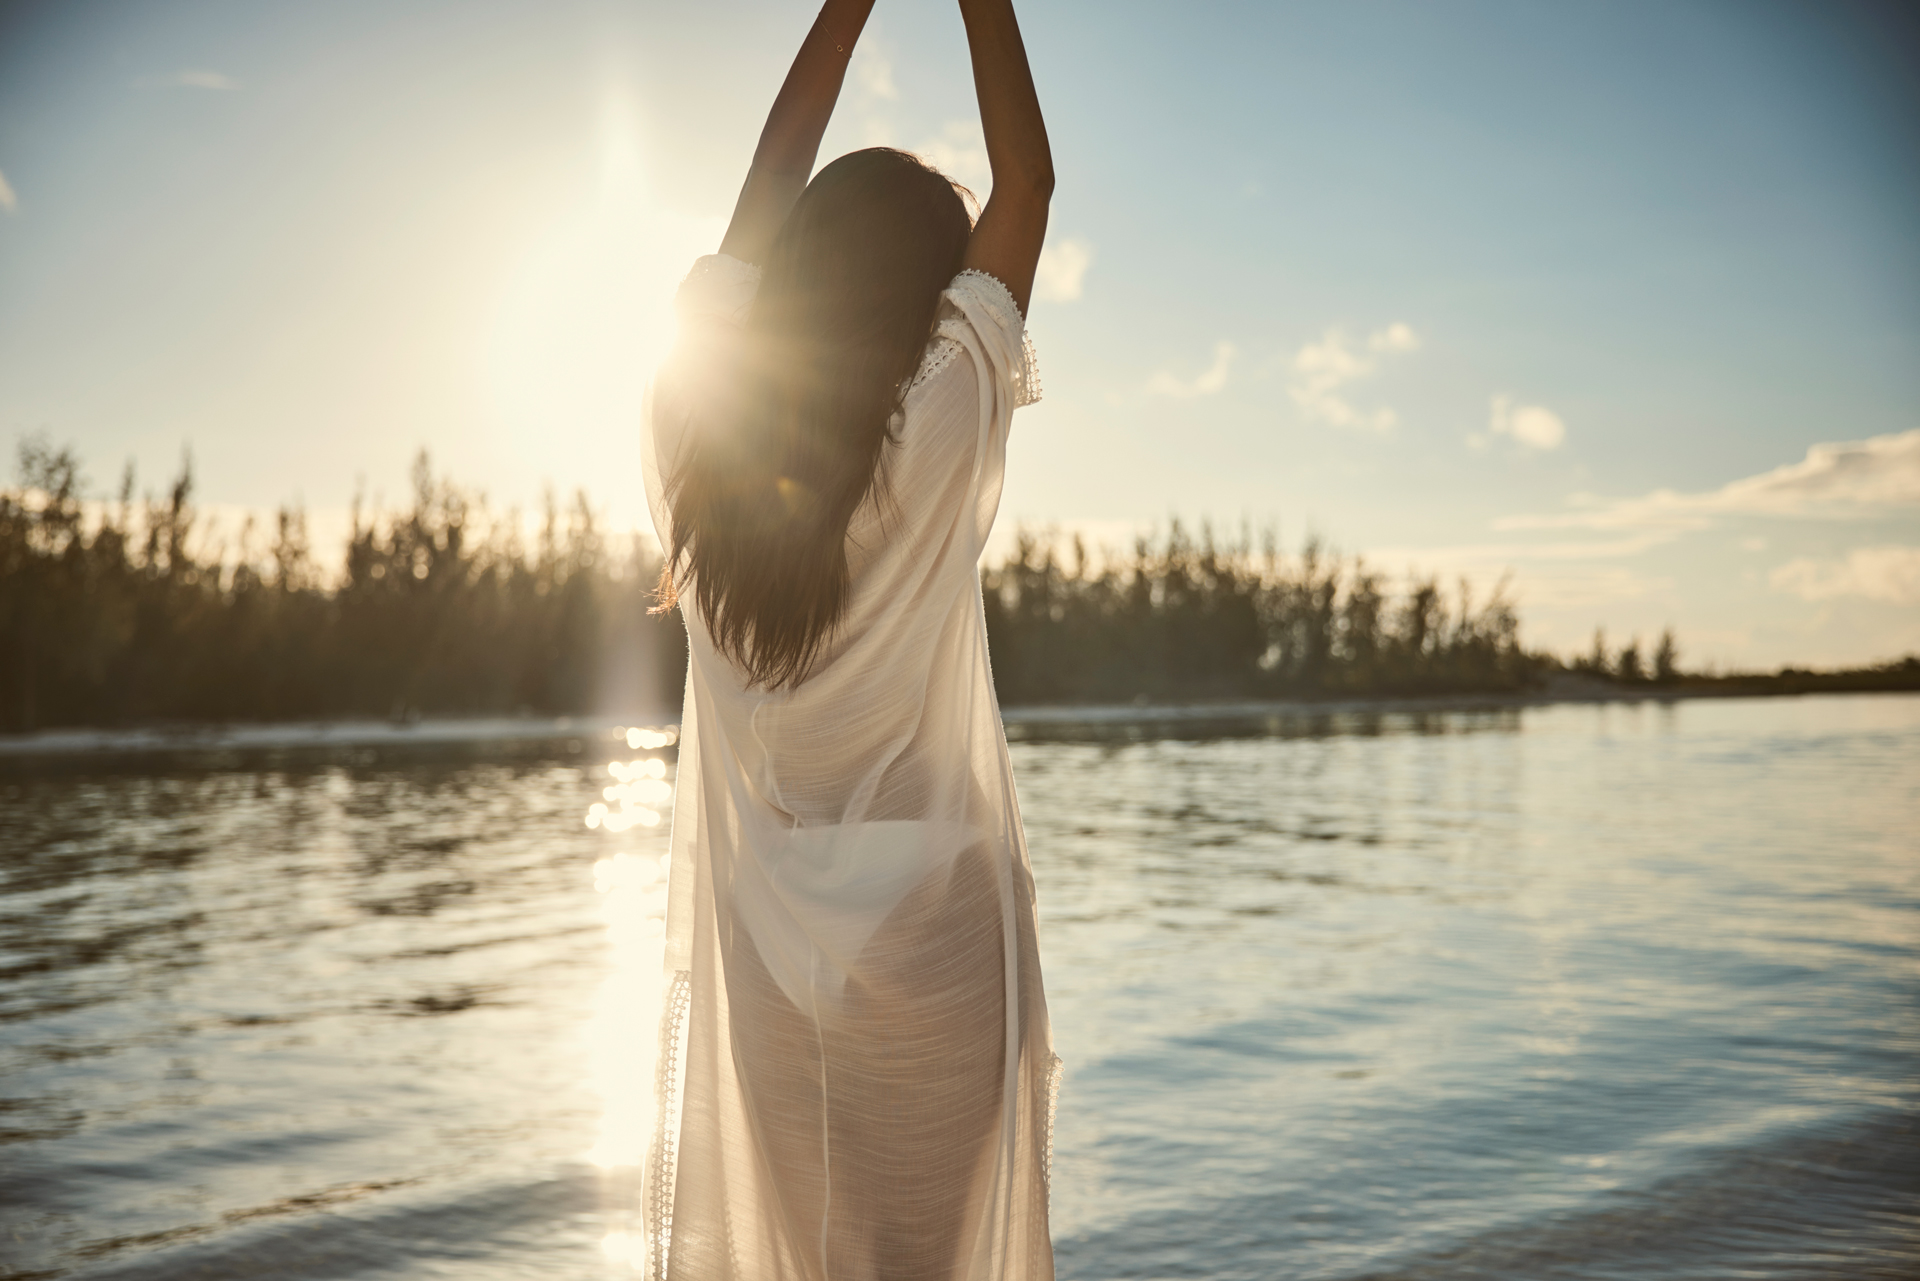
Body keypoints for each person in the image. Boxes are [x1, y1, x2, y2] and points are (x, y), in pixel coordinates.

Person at [639, 0, 1057, 1276]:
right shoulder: (937, 415)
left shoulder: (694, 430)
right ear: (928, 290)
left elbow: (770, 181)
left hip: (771, 955)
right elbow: (1029, 180)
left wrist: (847, 6)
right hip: (934, 921)